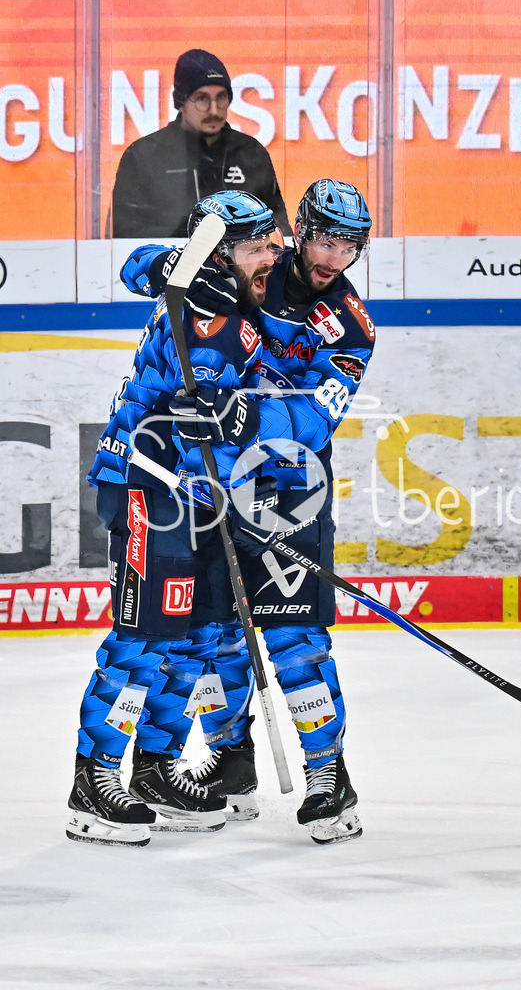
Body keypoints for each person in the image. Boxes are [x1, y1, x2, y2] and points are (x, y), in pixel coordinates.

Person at [119, 180, 374, 845]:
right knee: (212, 632)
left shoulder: (351, 325)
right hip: (208, 481)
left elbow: (320, 415)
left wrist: (248, 416)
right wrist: (169, 271)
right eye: (324, 240)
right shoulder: (254, 268)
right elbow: (144, 268)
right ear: (298, 231)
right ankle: (232, 761)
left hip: (287, 488)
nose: (333, 259)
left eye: (350, 248)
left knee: (293, 637)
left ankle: (327, 777)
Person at [67, 190, 290, 847]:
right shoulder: (200, 297)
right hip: (149, 485)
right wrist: (167, 265)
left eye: (275, 246)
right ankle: (95, 778)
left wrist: (257, 495)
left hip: (195, 495)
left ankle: (156, 768)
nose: (271, 258)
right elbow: (143, 264)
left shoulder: (245, 311)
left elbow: (238, 416)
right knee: (140, 637)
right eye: (258, 248)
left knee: (190, 637)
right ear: (221, 254)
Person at [111, 49, 291, 239]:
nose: (214, 110)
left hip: (238, 267)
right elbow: (122, 233)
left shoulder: (250, 152)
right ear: (180, 102)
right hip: (169, 265)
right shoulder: (144, 156)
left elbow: (279, 231)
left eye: (221, 97)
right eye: (202, 99)